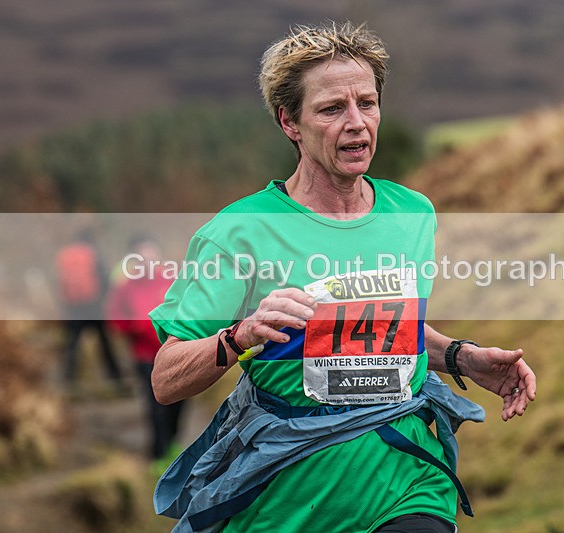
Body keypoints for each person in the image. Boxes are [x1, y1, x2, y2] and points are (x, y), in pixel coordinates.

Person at [149, 21, 536, 533]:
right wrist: (238, 336)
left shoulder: (411, 213)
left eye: (367, 103)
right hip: (293, 493)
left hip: (406, 479)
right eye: (332, 109)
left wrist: (463, 357)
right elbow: (166, 379)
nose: (357, 123)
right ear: (291, 122)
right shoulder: (240, 232)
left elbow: (384, 330)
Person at [105, 235, 184, 464]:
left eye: (151, 254)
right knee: (156, 406)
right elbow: (115, 317)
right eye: (141, 255)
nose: (148, 260)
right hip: (145, 356)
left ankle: (171, 445)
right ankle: (158, 455)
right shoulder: (126, 287)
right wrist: (134, 328)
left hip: (176, 352)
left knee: (179, 401)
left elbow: (189, 308)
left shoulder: (172, 280)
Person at [56, 228, 123, 389]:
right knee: (104, 340)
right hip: (93, 304)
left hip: (73, 305)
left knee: (73, 341)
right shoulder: (93, 254)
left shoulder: (65, 255)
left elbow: (58, 282)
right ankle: (115, 374)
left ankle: (68, 376)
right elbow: (105, 279)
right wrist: (105, 300)